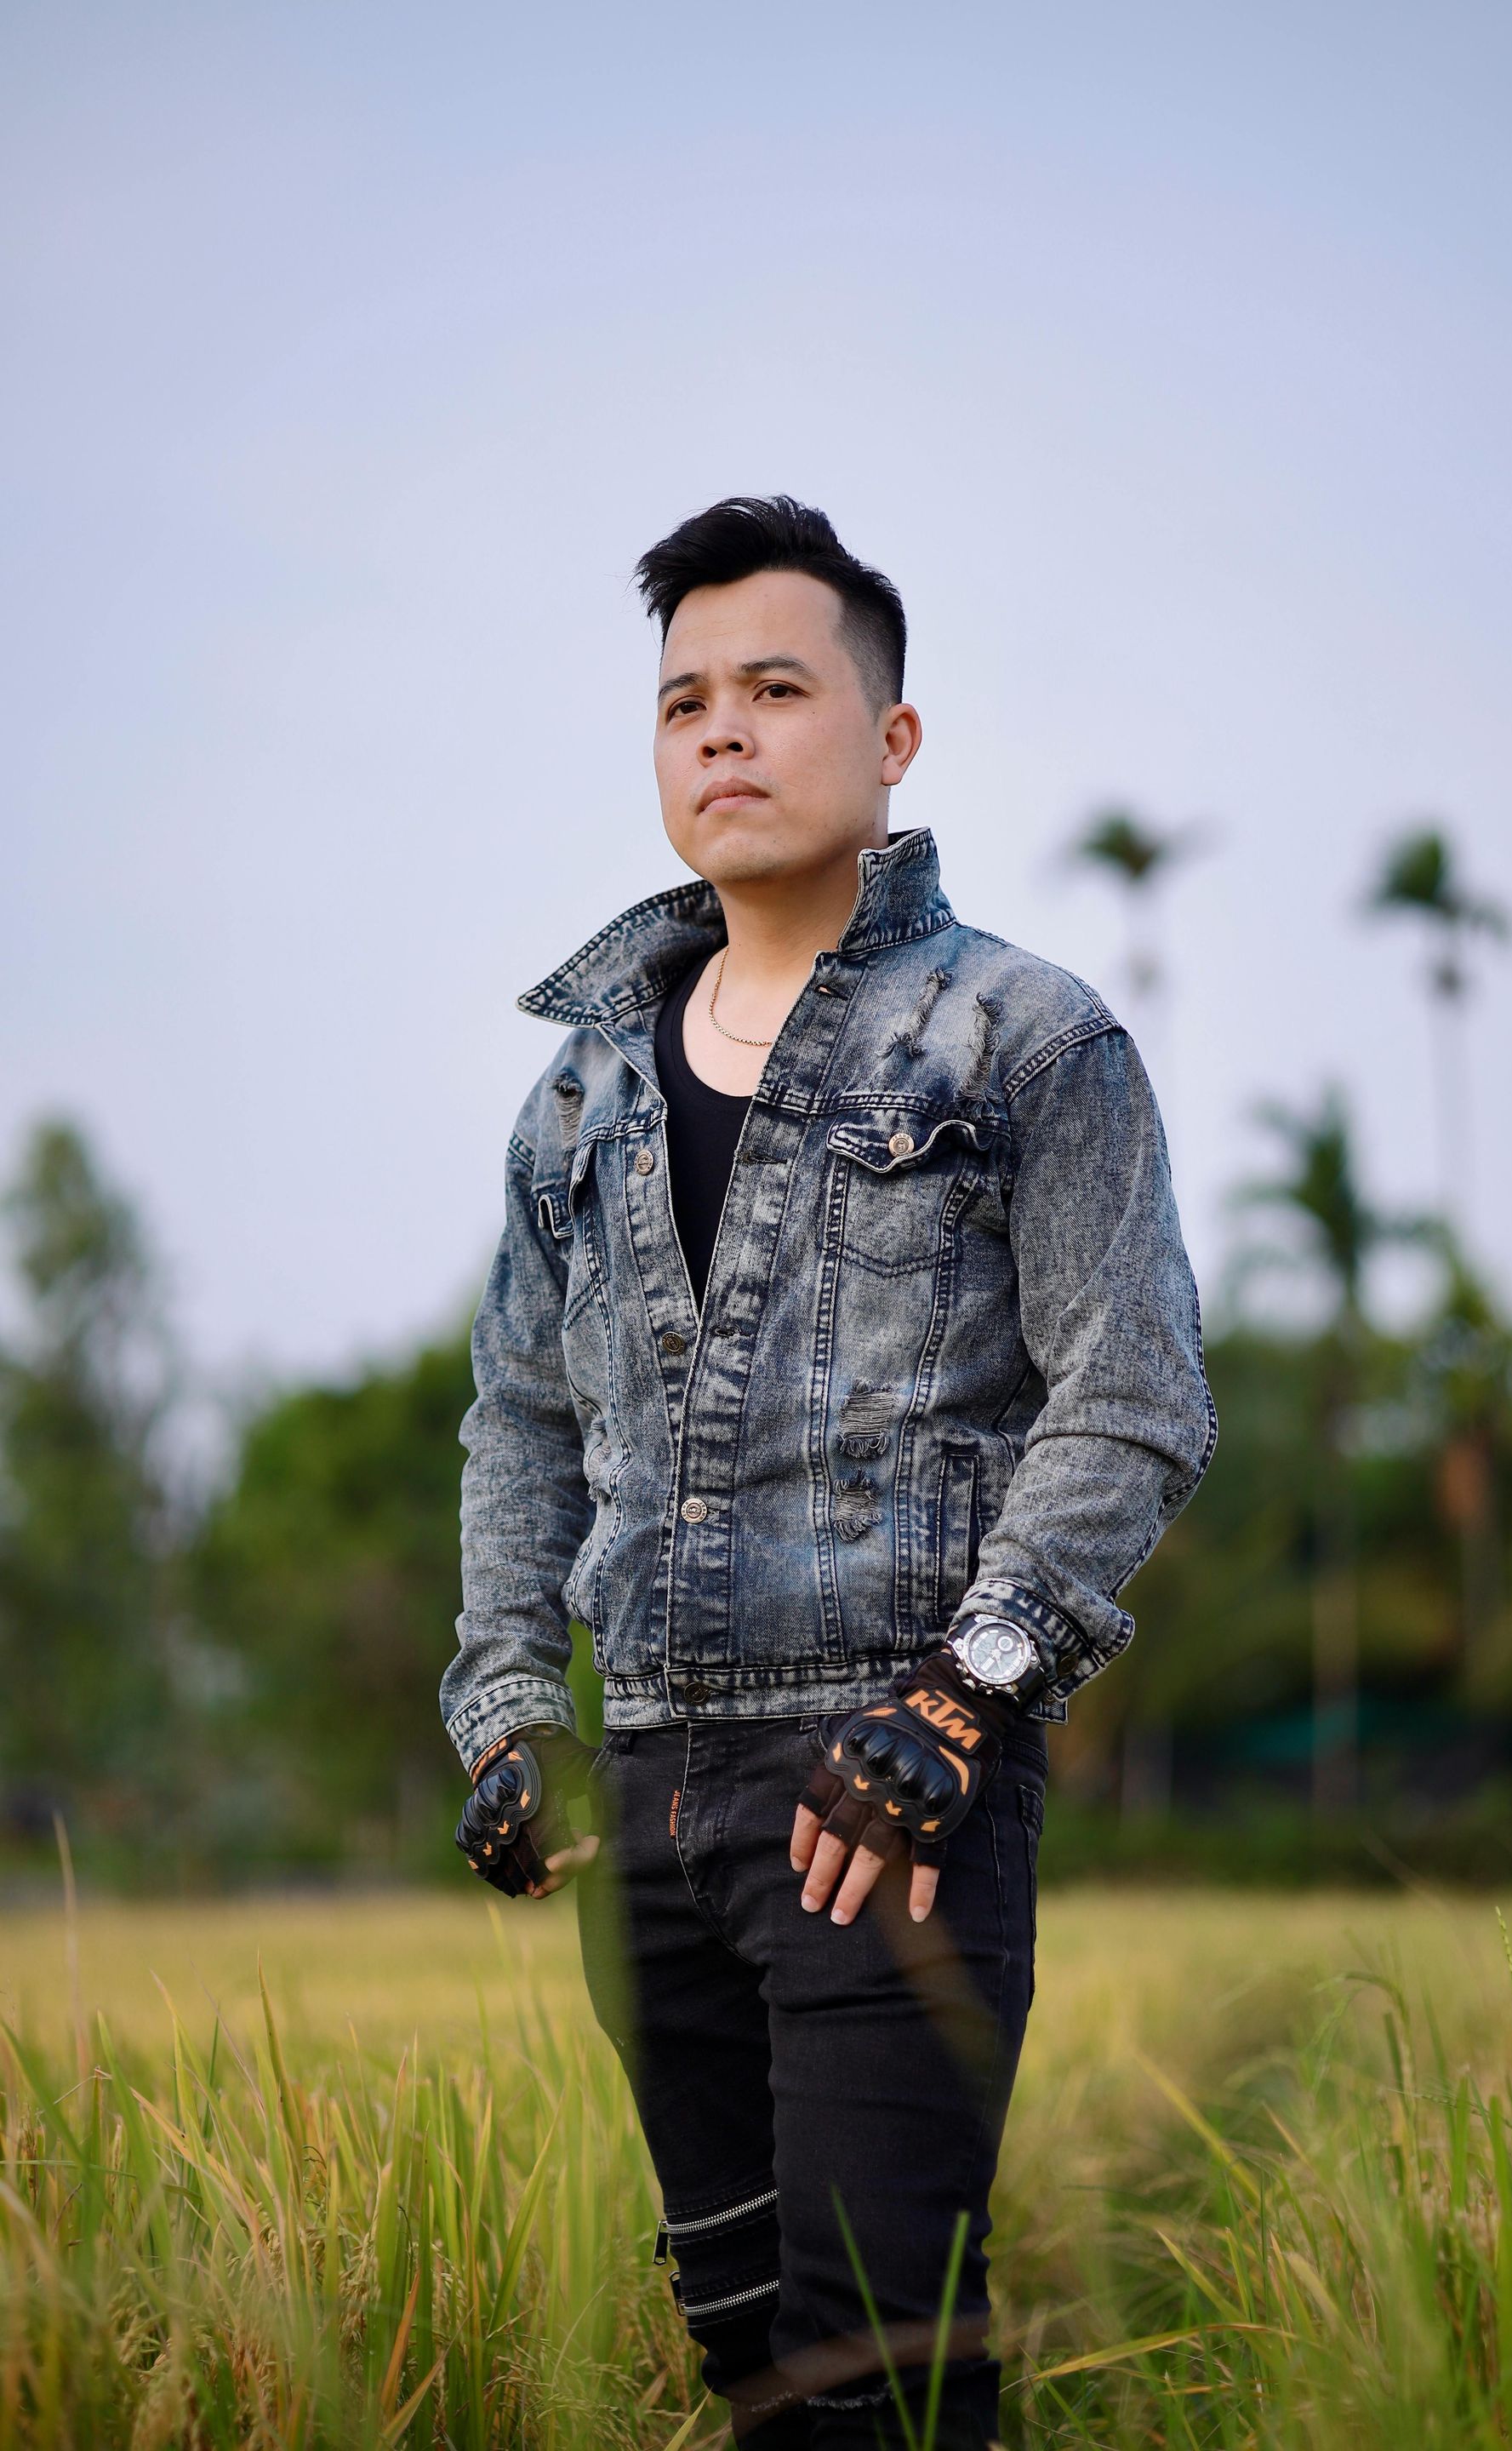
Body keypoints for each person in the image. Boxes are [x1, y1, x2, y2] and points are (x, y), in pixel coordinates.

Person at [440, 496, 1216, 2448]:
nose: (723, 731)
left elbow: (1131, 1399)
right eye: (685, 698)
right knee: (747, 2355)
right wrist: (509, 1709)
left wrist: (964, 1698)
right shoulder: (579, 1094)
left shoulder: (1026, 1039)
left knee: (877, 2363)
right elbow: (523, 1424)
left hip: (889, 1788)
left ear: (892, 742)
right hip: (651, 1801)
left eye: (777, 687)